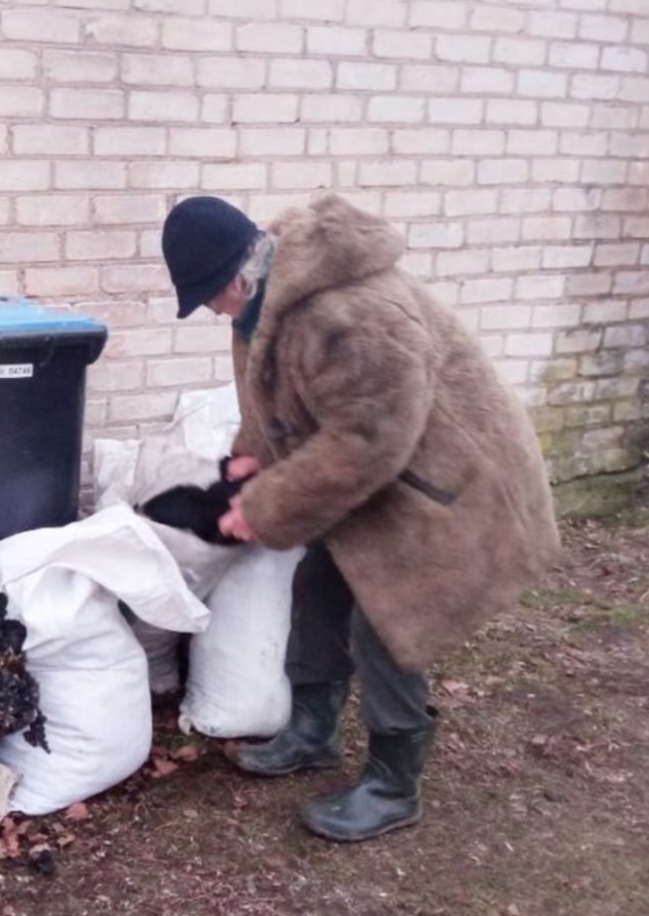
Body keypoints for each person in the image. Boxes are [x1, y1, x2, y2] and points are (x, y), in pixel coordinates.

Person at [160, 194, 561, 842]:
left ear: (236, 278)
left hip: (446, 482)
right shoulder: (263, 313)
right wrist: (248, 463)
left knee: (386, 618)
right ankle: (313, 730)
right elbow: (279, 407)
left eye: (211, 298)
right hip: (382, 474)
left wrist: (264, 508)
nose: (213, 311)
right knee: (316, 586)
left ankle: (394, 782)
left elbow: (368, 439)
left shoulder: (352, 315)